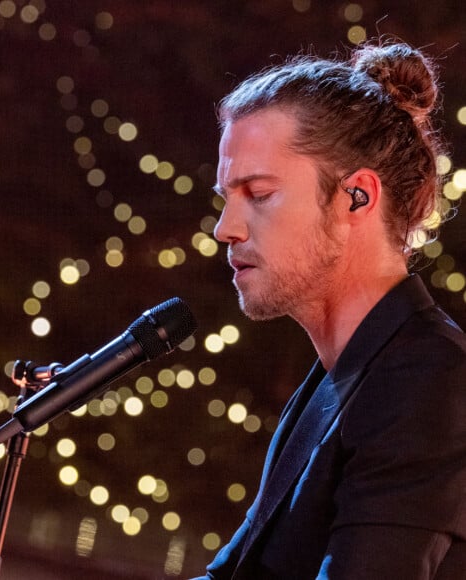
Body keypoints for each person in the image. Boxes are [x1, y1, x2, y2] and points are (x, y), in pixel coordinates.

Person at [194, 40, 466, 579]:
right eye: (228, 197)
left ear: (356, 198)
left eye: (259, 193)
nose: (225, 228)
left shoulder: (430, 381)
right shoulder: (344, 376)